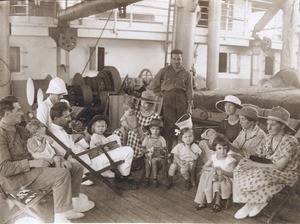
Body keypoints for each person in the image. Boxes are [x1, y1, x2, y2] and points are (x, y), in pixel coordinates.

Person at [0, 96, 92, 223]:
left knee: (75, 167)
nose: (22, 113)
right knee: (61, 174)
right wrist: (32, 162)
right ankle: (60, 219)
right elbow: (3, 169)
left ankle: (68, 209)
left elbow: (40, 145)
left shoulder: (20, 129)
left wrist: (56, 157)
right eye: (18, 110)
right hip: (17, 179)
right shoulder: (1, 135)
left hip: (32, 170)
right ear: (8, 114)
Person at [49, 102, 137, 188]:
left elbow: (71, 147)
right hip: (87, 163)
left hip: (85, 156)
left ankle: (117, 168)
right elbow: (69, 154)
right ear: (56, 118)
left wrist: (85, 141)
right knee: (129, 150)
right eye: (66, 117)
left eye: (69, 115)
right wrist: (90, 152)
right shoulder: (58, 134)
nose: (69, 119)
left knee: (115, 137)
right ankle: (123, 177)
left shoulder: (56, 130)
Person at [233, 107, 299, 219]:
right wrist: (248, 161)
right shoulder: (268, 138)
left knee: (260, 173)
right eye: (268, 123)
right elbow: (258, 155)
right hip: (268, 169)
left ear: (282, 126)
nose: (268, 127)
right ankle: (253, 202)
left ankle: (255, 202)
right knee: (241, 166)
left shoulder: (290, 141)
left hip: (285, 174)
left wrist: (253, 164)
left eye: (273, 124)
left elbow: (279, 166)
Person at [147, 49, 194, 151]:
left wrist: (189, 107)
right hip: (168, 100)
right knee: (169, 125)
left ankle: (181, 151)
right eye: (174, 59)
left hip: (182, 100)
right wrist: (159, 95)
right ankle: (167, 152)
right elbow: (152, 86)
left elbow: (190, 91)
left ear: (182, 59)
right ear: (171, 59)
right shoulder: (163, 71)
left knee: (182, 126)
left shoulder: (187, 73)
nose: (176, 61)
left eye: (179, 59)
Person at [113, 90, 161, 162]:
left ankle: (134, 158)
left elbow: (155, 131)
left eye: (147, 103)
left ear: (151, 104)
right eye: (142, 102)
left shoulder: (155, 116)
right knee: (117, 132)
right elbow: (126, 118)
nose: (144, 105)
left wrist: (141, 132)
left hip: (145, 134)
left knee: (132, 134)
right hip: (133, 129)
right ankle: (118, 155)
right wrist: (124, 124)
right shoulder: (136, 111)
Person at [194, 134, 237, 213]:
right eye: (219, 148)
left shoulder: (230, 160)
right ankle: (203, 201)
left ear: (228, 149)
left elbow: (233, 175)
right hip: (215, 177)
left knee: (215, 182)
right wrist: (213, 169)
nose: (222, 151)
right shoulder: (214, 157)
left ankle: (217, 204)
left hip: (226, 180)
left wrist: (222, 172)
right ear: (215, 148)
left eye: (225, 148)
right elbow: (204, 167)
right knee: (206, 175)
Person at [87, 114, 135, 180]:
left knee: (115, 137)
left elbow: (105, 146)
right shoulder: (95, 136)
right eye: (98, 126)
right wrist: (113, 149)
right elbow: (101, 149)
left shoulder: (102, 136)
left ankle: (120, 169)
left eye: (103, 126)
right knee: (129, 150)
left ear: (106, 127)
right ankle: (123, 173)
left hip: (103, 155)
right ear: (93, 127)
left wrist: (112, 146)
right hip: (98, 158)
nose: (101, 128)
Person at [166, 114, 202, 190]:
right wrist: (179, 161)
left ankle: (187, 180)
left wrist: (189, 149)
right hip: (181, 162)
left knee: (183, 170)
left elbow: (195, 157)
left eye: (190, 136)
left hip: (189, 164)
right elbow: (175, 155)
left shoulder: (194, 146)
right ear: (182, 139)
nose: (188, 139)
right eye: (185, 137)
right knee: (173, 166)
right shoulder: (180, 146)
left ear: (193, 137)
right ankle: (169, 180)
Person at [141, 118, 167, 188]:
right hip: (148, 156)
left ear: (160, 130)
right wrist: (148, 150)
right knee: (147, 160)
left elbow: (164, 152)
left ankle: (155, 179)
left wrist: (161, 149)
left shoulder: (161, 139)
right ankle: (147, 178)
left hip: (158, 157)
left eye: (157, 129)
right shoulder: (147, 138)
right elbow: (142, 149)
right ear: (150, 129)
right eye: (153, 129)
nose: (155, 131)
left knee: (154, 160)